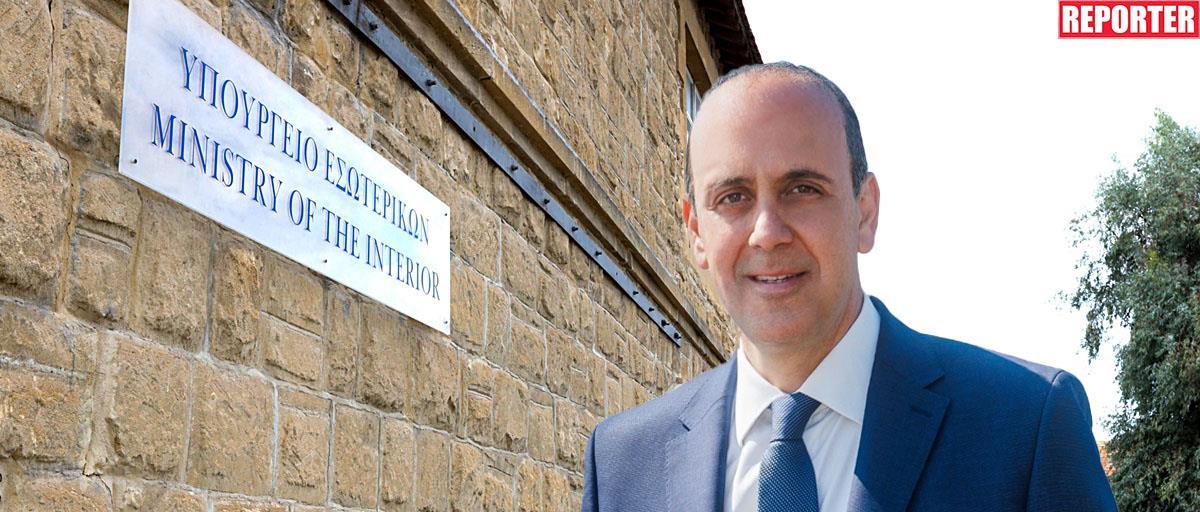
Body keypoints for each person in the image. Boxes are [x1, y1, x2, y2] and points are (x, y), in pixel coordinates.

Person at [580, 62, 1116, 512]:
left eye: (802, 188)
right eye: (733, 197)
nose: (767, 232)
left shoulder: (1026, 426)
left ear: (865, 211)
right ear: (697, 231)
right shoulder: (624, 465)